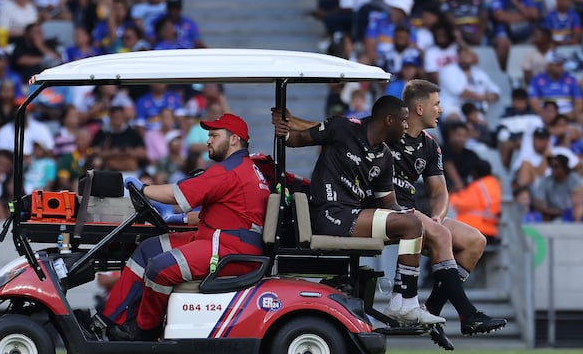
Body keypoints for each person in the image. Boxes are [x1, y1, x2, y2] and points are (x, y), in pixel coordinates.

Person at [272, 96, 444, 325]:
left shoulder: (384, 155)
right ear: (389, 120)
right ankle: (406, 304)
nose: (406, 126)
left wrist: (404, 212)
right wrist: (283, 130)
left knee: (412, 223)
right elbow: (296, 139)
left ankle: (402, 303)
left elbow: (389, 203)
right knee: (412, 225)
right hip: (327, 213)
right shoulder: (343, 128)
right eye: (403, 121)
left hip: (350, 216)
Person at [102, 113, 270, 340]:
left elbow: (176, 195)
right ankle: (110, 319)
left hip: (230, 249)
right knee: (148, 250)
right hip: (218, 239)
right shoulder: (244, 168)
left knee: (159, 268)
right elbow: (230, 212)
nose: (208, 140)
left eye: (214, 135)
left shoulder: (230, 170)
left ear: (234, 139)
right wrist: (183, 220)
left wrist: (143, 189)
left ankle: (144, 330)